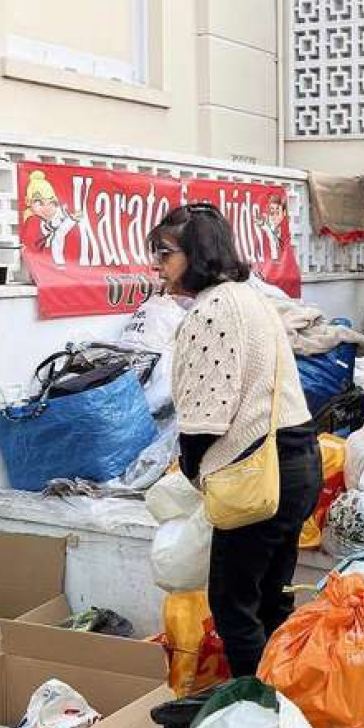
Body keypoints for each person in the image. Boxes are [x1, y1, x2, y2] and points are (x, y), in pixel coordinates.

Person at [148, 203, 322, 678]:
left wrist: (192, 471)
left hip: (259, 476)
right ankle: (285, 702)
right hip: (297, 464)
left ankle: (257, 713)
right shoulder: (248, 297)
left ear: (197, 254)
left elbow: (205, 420)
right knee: (268, 603)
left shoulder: (212, 311)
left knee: (233, 606)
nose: (157, 266)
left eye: (164, 254)